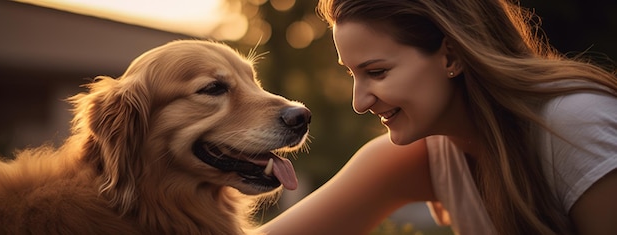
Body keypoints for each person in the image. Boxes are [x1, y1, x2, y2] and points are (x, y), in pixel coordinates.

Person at [258, 0, 617, 234]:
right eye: (353, 75)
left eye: (378, 72)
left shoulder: (574, 125)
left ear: (450, 56)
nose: (360, 102)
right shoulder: (426, 155)